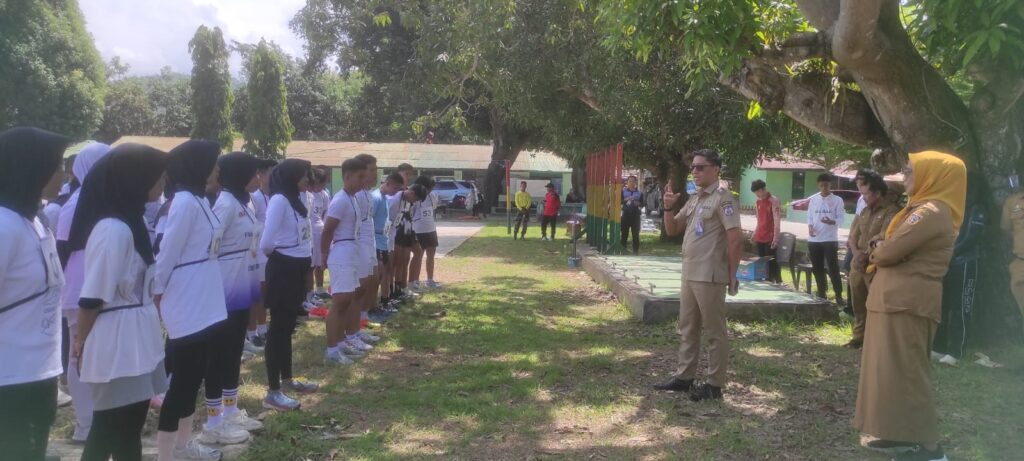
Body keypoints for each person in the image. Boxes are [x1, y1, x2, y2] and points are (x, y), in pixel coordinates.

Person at [854, 151, 965, 461]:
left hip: (907, 303)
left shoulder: (932, 211)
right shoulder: (916, 209)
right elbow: (882, 241)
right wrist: (881, 245)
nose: (905, 178)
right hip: (893, 301)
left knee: (909, 373)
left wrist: (879, 248)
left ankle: (930, 449)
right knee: (890, 372)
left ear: (934, 175)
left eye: (911, 171)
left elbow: (887, 251)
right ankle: (898, 433)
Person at [68, 144, 169, 461]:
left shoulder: (132, 219)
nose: (163, 182)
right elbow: (92, 296)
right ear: (135, 180)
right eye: (157, 176)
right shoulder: (112, 229)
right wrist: (80, 342)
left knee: (129, 428)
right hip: (116, 340)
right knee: (108, 428)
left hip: (136, 335)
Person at [154, 140, 235, 461]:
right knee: (182, 382)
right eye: (213, 162)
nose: (217, 168)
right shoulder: (184, 202)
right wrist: (157, 296)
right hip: (186, 301)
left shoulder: (200, 199)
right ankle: (166, 454)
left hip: (205, 300)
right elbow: (167, 255)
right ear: (197, 165)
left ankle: (184, 446)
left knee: (194, 379)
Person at [0, 127, 69, 461]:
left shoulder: (36, 222)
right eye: (56, 166)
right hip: (11, 377)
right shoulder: (5, 226)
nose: (63, 175)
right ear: (30, 168)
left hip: (40, 370)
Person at [654, 149, 742, 401]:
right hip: (690, 272)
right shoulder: (694, 199)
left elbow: (735, 239)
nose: (695, 171)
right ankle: (684, 378)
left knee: (714, 331)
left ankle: (714, 385)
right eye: (693, 167)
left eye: (700, 167)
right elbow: (673, 229)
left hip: (710, 274)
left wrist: (732, 274)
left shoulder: (723, 199)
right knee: (688, 328)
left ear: (716, 169)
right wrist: (667, 207)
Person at [55, 141, 113, 443]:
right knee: (79, 354)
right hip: (80, 287)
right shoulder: (74, 204)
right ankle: (85, 424)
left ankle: (100, 418)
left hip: (105, 286)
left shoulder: (109, 199)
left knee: (99, 353)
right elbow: (62, 252)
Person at [208, 152, 265, 436]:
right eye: (253, 173)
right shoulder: (226, 203)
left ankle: (231, 410)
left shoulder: (245, 201)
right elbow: (211, 245)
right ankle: (214, 419)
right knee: (221, 352)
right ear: (239, 174)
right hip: (226, 286)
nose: (257, 178)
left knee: (234, 351)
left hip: (243, 282)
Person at [258, 158, 320, 412]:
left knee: (288, 327)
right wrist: (287, 257)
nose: (308, 180)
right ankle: (273, 391)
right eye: (304, 175)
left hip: (297, 269)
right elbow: (266, 243)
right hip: (283, 269)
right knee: (278, 330)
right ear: (292, 177)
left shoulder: (298, 199)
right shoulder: (279, 201)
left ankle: (288, 379)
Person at [322, 158, 371, 365]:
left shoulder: (352, 198)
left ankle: (341, 343)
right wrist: (323, 256)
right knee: (340, 302)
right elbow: (327, 231)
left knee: (348, 300)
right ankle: (332, 351)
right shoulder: (340, 200)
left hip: (351, 253)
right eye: (360, 177)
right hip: (342, 254)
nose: (363, 181)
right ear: (347, 176)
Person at [934, 174, 985, 363]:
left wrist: (950, 253)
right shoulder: (952, 207)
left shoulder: (977, 208)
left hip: (965, 262)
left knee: (961, 306)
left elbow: (972, 237)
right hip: (948, 261)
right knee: (942, 304)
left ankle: (957, 351)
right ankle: (938, 347)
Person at [845, 170, 898, 349]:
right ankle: (858, 338)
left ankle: (875, 341)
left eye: (866, 194)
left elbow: (884, 237)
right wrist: (857, 254)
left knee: (875, 304)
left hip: (875, 265)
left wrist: (866, 255)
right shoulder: (864, 211)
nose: (863, 198)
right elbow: (853, 236)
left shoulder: (892, 212)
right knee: (858, 303)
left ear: (877, 193)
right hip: (858, 264)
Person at [247, 159, 277, 351]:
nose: (274, 178)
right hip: (256, 252)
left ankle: (262, 327)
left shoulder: (274, 197)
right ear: (262, 175)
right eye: (272, 174)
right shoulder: (255, 198)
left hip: (270, 252)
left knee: (266, 293)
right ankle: (251, 332)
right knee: (256, 294)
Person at [807, 173, 845, 302]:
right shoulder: (813, 200)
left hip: (830, 239)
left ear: (830, 185)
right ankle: (821, 293)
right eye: (821, 185)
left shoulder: (837, 200)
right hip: (814, 239)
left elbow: (841, 219)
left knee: (833, 267)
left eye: (826, 185)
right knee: (817, 268)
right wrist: (810, 227)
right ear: (818, 185)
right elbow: (810, 217)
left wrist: (831, 221)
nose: (824, 188)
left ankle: (838, 295)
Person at [374, 173, 406, 313]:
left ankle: (384, 301)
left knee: (386, 271)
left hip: (384, 241)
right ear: (388, 183)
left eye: (399, 189)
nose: (396, 192)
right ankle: (373, 305)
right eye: (396, 188)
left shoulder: (385, 198)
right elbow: (369, 221)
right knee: (378, 275)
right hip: (376, 242)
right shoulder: (376, 198)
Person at [410, 176, 441, 290]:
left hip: (431, 229)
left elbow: (433, 209)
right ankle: (415, 280)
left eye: (431, 189)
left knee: (431, 255)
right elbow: (411, 213)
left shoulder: (432, 196)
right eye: (428, 189)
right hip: (418, 230)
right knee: (418, 255)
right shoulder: (415, 198)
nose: (429, 191)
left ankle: (430, 279)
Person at [306, 167, 331, 307]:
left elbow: (326, 213)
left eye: (323, 184)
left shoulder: (324, 194)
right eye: (319, 183)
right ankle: (309, 294)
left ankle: (320, 289)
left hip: (320, 231)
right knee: (310, 266)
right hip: (309, 233)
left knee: (320, 262)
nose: (321, 187)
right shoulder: (307, 194)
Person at [750, 179, 782, 283]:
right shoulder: (757, 201)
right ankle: (766, 282)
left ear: (761, 189)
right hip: (760, 236)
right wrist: (754, 234)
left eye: (757, 192)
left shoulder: (774, 201)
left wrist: (775, 238)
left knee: (771, 261)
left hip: (770, 236)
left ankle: (778, 281)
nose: (756, 195)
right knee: (762, 261)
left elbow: (777, 221)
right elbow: (759, 220)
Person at [621, 175, 643, 254]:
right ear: (627, 182)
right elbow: (619, 201)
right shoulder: (623, 192)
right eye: (630, 181)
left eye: (633, 181)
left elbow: (643, 203)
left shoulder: (639, 193)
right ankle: (623, 251)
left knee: (635, 234)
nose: (631, 183)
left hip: (635, 215)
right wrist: (625, 200)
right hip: (626, 215)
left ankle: (635, 252)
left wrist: (639, 203)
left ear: (635, 182)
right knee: (624, 233)